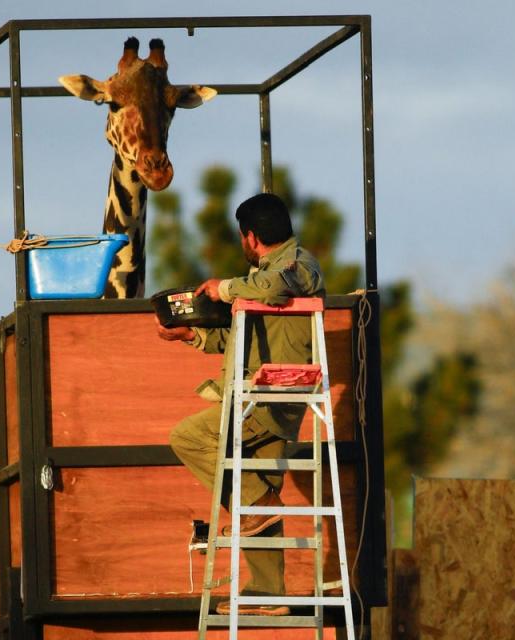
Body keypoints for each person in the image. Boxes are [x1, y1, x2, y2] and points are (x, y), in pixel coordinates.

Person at [156, 192, 325, 616]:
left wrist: (224, 288)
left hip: (269, 402)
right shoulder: (261, 277)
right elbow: (238, 343)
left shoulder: (297, 265)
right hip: (258, 399)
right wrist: (191, 335)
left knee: (189, 437)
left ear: (251, 236)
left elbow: (277, 288)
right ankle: (270, 593)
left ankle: (261, 507)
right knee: (258, 493)